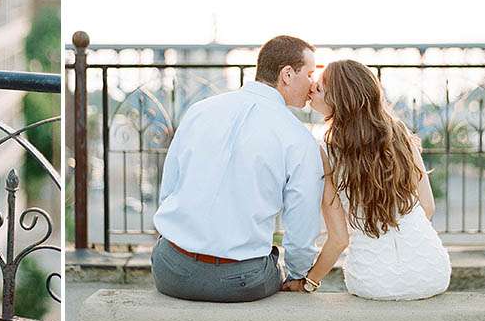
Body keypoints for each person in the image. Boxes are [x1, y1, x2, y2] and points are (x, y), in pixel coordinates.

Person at [150, 35, 323, 302]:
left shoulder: (199, 111)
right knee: (269, 262)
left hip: (171, 270)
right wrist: (298, 274)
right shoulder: (298, 138)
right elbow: (301, 226)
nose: (313, 84)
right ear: (287, 74)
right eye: (310, 74)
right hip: (240, 281)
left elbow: (169, 188)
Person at [283, 60, 451, 300]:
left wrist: (308, 282)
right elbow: (428, 207)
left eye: (319, 88)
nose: (311, 90)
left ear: (340, 100)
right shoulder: (399, 133)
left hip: (373, 281)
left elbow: (339, 239)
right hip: (432, 272)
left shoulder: (326, 153)